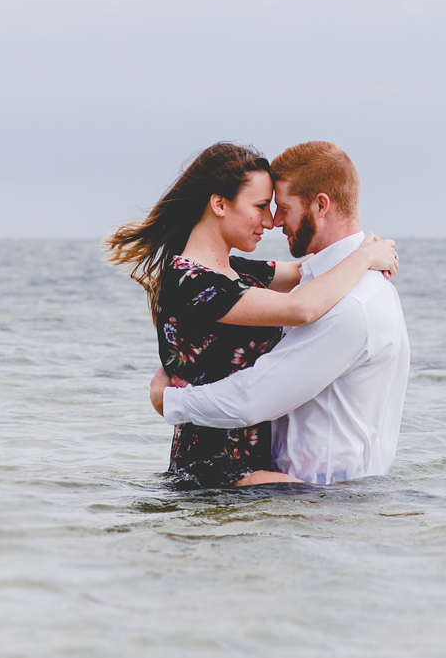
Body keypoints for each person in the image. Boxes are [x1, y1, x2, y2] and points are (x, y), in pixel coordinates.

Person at [106, 142, 398, 489]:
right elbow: (300, 307)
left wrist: (361, 248)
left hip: (250, 462)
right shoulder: (191, 281)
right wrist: (364, 259)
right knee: (320, 506)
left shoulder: (237, 271)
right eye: (260, 206)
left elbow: (311, 270)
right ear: (219, 204)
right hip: (214, 469)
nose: (271, 220)